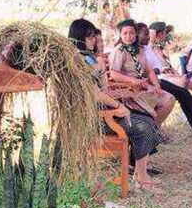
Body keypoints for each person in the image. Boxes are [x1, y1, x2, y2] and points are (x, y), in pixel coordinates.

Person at [69, 19, 162, 192]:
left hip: (105, 110)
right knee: (143, 126)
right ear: (79, 37)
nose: (94, 40)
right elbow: (94, 93)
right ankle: (141, 178)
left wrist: (122, 94)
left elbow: (103, 90)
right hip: (95, 118)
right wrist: (118, 106)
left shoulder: (88, 58)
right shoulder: (77, 61)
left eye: (94, 37)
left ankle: (140, 175)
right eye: (90, 37)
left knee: (148, 119)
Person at [141, 22, 192, 139]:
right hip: (149, 81)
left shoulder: (148, 48)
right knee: (181, 89)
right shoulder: (142, 49)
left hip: (155, 79)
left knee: (183, 92)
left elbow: (156, 66)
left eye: (148, 34)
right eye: (145, 34)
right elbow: (146, 70)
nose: (148, 37)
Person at [108, 19, 175, 127]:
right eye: (125, 33)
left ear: (136, 34)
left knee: (169, 98)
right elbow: (113, 74)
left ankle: (154, 130)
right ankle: (153, 131)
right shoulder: (119, 51)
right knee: (165, 101)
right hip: (130, 92)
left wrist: (156, 85)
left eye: (131, 33)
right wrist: (133, 80)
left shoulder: (138, 49)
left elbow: (149, 70)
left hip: (144, 87)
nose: (128, 36)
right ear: (120, 35)